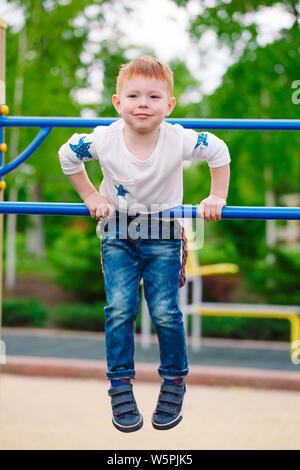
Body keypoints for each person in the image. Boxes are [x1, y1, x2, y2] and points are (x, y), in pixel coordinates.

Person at [58, 56, 230, 433]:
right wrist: (90, 196)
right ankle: (120, 384)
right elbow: (67, 155)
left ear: (169, 105)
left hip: (165, 233)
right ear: (118, 103)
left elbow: (218, 150)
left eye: (153, 97)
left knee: (165, 310)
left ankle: (174, 381)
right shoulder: (104, 138)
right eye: (133, 95)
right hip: (118, 232)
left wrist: (216, 196)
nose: (143, 103)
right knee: (119, 309)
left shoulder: (177, 138)